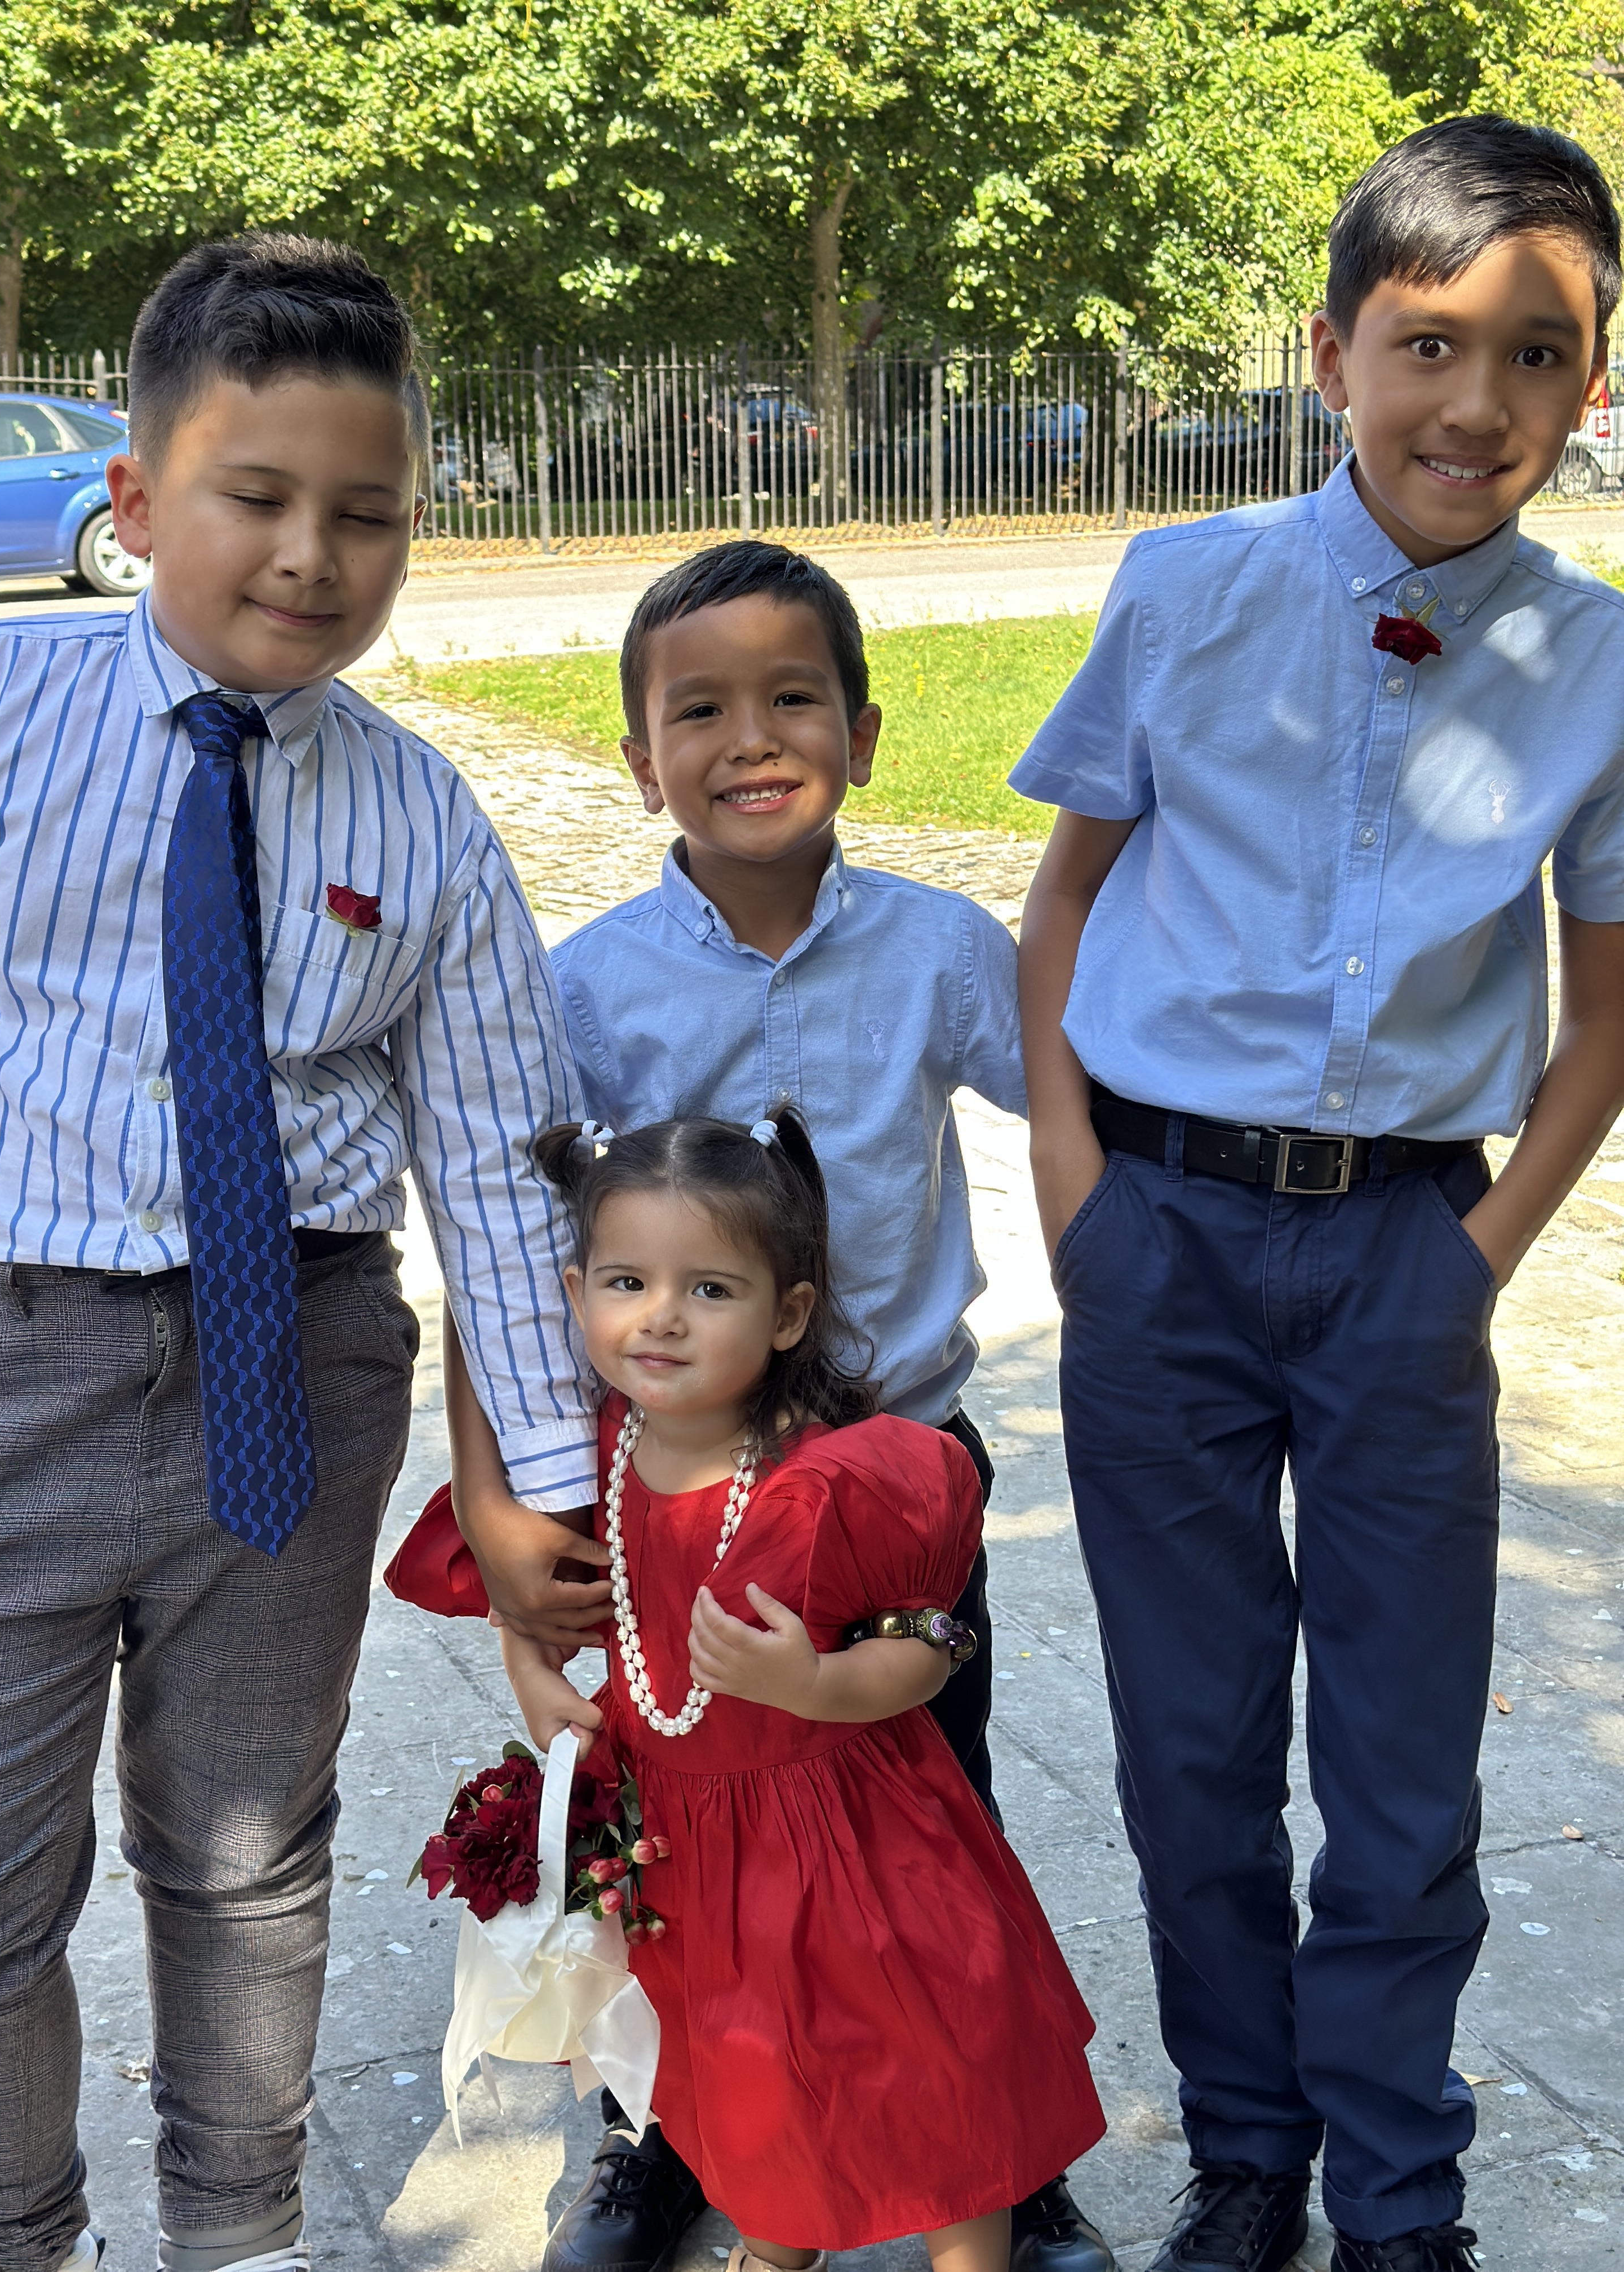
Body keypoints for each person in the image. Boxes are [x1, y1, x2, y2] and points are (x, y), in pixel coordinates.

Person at [0, 236, 597, 2272]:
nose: (312, 554)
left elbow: (501, 1174)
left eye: (366, 512)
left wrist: (545, 1495)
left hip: (287, 1382)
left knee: (243, 1854)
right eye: (258, 496)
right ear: (137, 501)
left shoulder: (427, 821)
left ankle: (241, 2237)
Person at [1013, 115, 1624, 2272]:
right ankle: (1248, 2156)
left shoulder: (1595, 660)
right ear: (1329, 351)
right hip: (1159, 1244)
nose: (1477, 402)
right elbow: (1060, 902)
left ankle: (1396, 2199)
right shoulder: (1186, 588)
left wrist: (1474, 1259)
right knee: (1190, 1753)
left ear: (1595, 378)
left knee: (1400, 1775)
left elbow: (1604, 1011)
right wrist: (1077, 1199)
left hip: (1400, 1258)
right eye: (1426, 343)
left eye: (1538, 353)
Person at [446, 538, 1114, 2272]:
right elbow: (508, 1255)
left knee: (933, 1829)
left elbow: (1080, 1112)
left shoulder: (941, 951)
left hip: (891, 1482)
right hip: (674, 1487)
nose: (751, 739)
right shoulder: (588, 993)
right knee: (670, 1833)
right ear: (637, 759)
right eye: (701, 712)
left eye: (794, 699)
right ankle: (666, 2141)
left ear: (866, 736)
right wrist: (506, 1506)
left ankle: (994, 2151)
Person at [499, 1110, 1109, 2272]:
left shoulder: (832, 1478)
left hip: (845, 1838)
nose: (662, 1316)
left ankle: (968, 2257)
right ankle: (779, 2241)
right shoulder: (596, 1450)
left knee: (928, 2060)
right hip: (694, 1846)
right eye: (627, 1282)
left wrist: (815, 1681)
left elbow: (933, 1639)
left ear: (787, 1314)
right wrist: (530, 1669)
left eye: (711, 1290)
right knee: (750, 2063)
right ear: (577, 1292)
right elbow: (532, 1600)